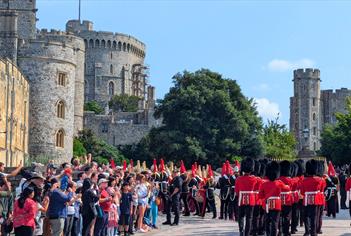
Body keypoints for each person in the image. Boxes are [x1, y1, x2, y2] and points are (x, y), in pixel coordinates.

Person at [259, 161, 289, 236]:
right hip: (276, 204)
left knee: (267, 221)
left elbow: (260, 196)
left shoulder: (264, 183)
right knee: (275, 221)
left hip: (267, 205)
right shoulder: (279, 182)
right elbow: (287, 189)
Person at [235, 158, 258, 236]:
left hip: (241, 199)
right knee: (249, 217)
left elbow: (237, 191)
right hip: (251, 199)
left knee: (241, 216)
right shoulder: (254, 179)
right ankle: (247, 233)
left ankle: (241, 231)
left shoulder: (238, 179)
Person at [300, 159, 323, 236]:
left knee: (306, 216)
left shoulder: (304, 181)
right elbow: (321, 189)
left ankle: (307, 231)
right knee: (314, 216)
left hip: (306, 199)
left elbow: (302, 192)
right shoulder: (319, 180)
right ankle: (313, 232)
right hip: (316, 200)